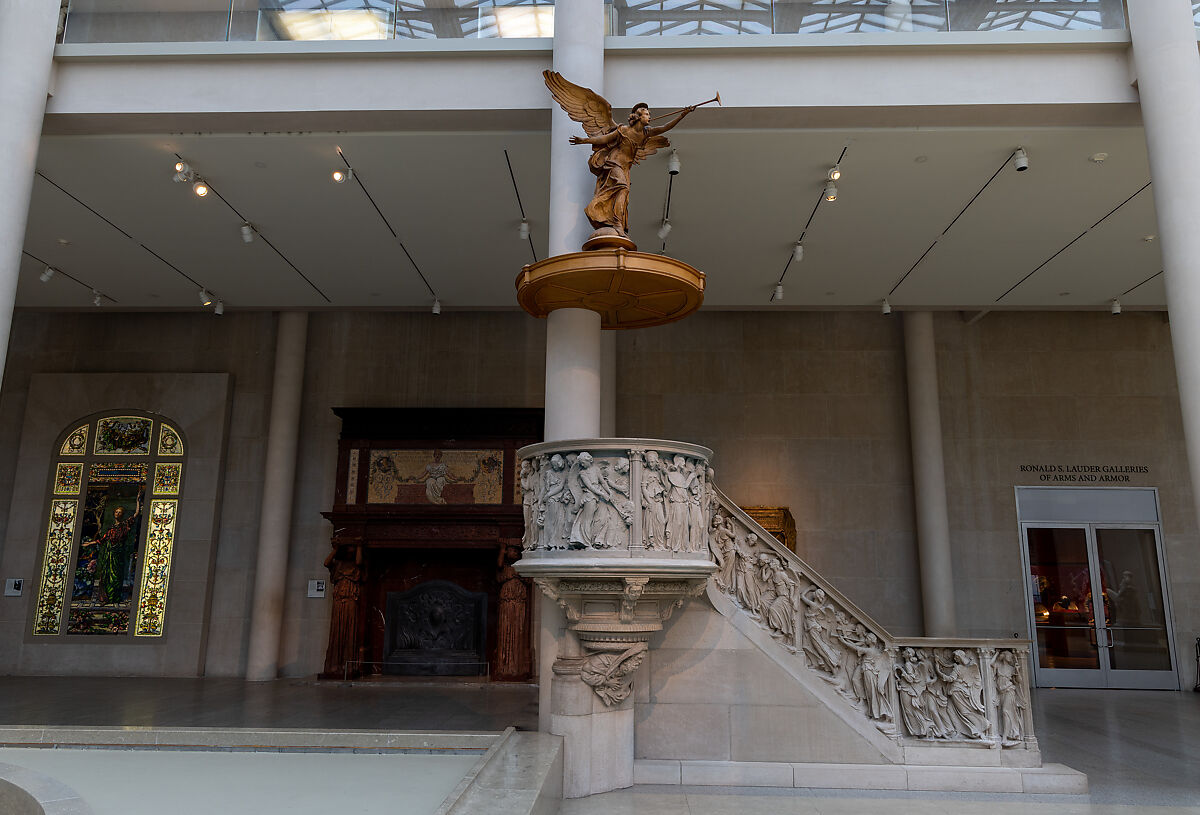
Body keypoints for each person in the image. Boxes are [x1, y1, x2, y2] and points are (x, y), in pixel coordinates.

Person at [570, 103, 695, 237]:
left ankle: (614, 221)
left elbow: (665, 127)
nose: (649, 117)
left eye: (649, 114)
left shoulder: (646, 132)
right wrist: (584, 140)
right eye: (646, 114)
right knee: (622, 187)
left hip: (625, 168)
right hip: (614, 163)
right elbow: (604, 139)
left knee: (623, 196)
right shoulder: (623, 130)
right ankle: (617, 224)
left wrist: (684, 114)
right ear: (638, 117)